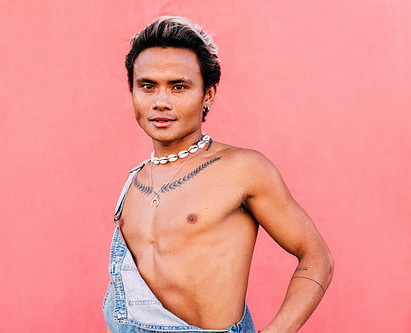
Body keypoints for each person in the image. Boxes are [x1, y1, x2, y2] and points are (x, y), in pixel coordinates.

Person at [103, 16, 333, 333]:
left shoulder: (242, 168)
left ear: (207, 95)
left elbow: (316, 256)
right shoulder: (133, 184)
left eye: (179, 87)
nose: (160, 102)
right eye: (147, 86)